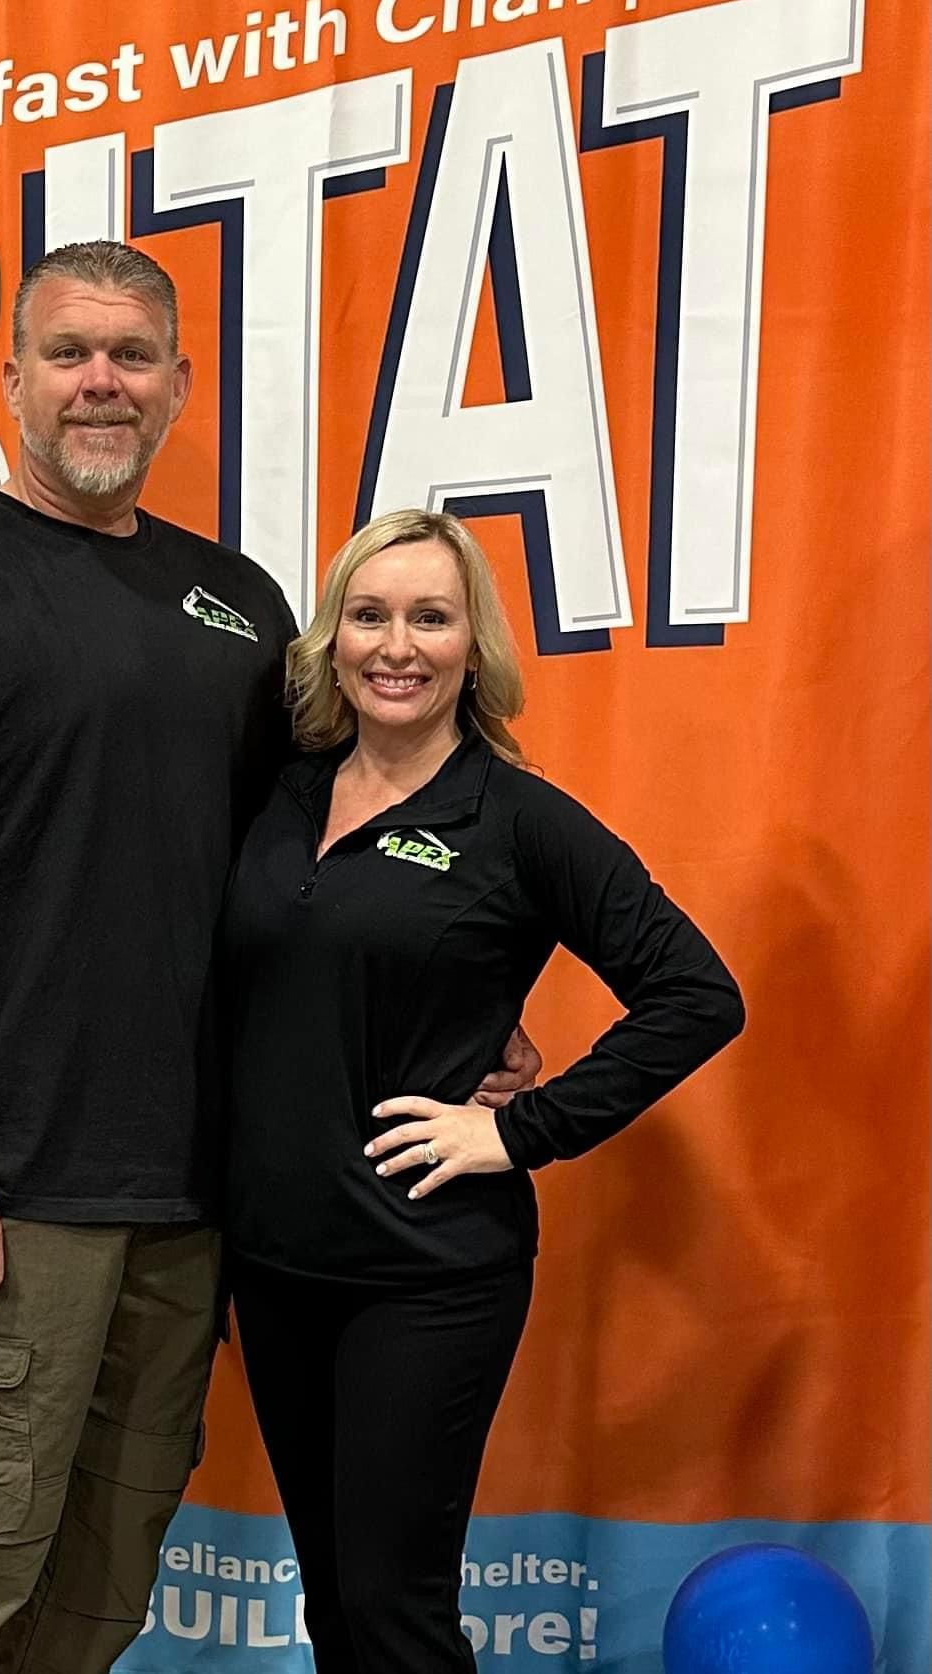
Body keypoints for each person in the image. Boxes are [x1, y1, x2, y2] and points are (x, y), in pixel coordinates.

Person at [0, 243, 539, 1674]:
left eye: (131, 356)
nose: (98, 382)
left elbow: (333, 851)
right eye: (67, 351)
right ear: (7, 377)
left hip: (207, 1193)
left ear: (177, 385)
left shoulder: (238, 604)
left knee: (99, 1581)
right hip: (15, 1187)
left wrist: (468, 1006)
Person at [218, 507, 746, 1672]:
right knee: (336, 1611)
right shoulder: (282, 791)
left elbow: (694, 994)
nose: (394, 644)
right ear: (331, 639)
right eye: (367, 615)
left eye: (428, 616)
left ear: (472, 645)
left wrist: (520, 1130)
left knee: (393, 1613)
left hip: (425, 1273)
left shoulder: (514, 818)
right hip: (272, 1265)